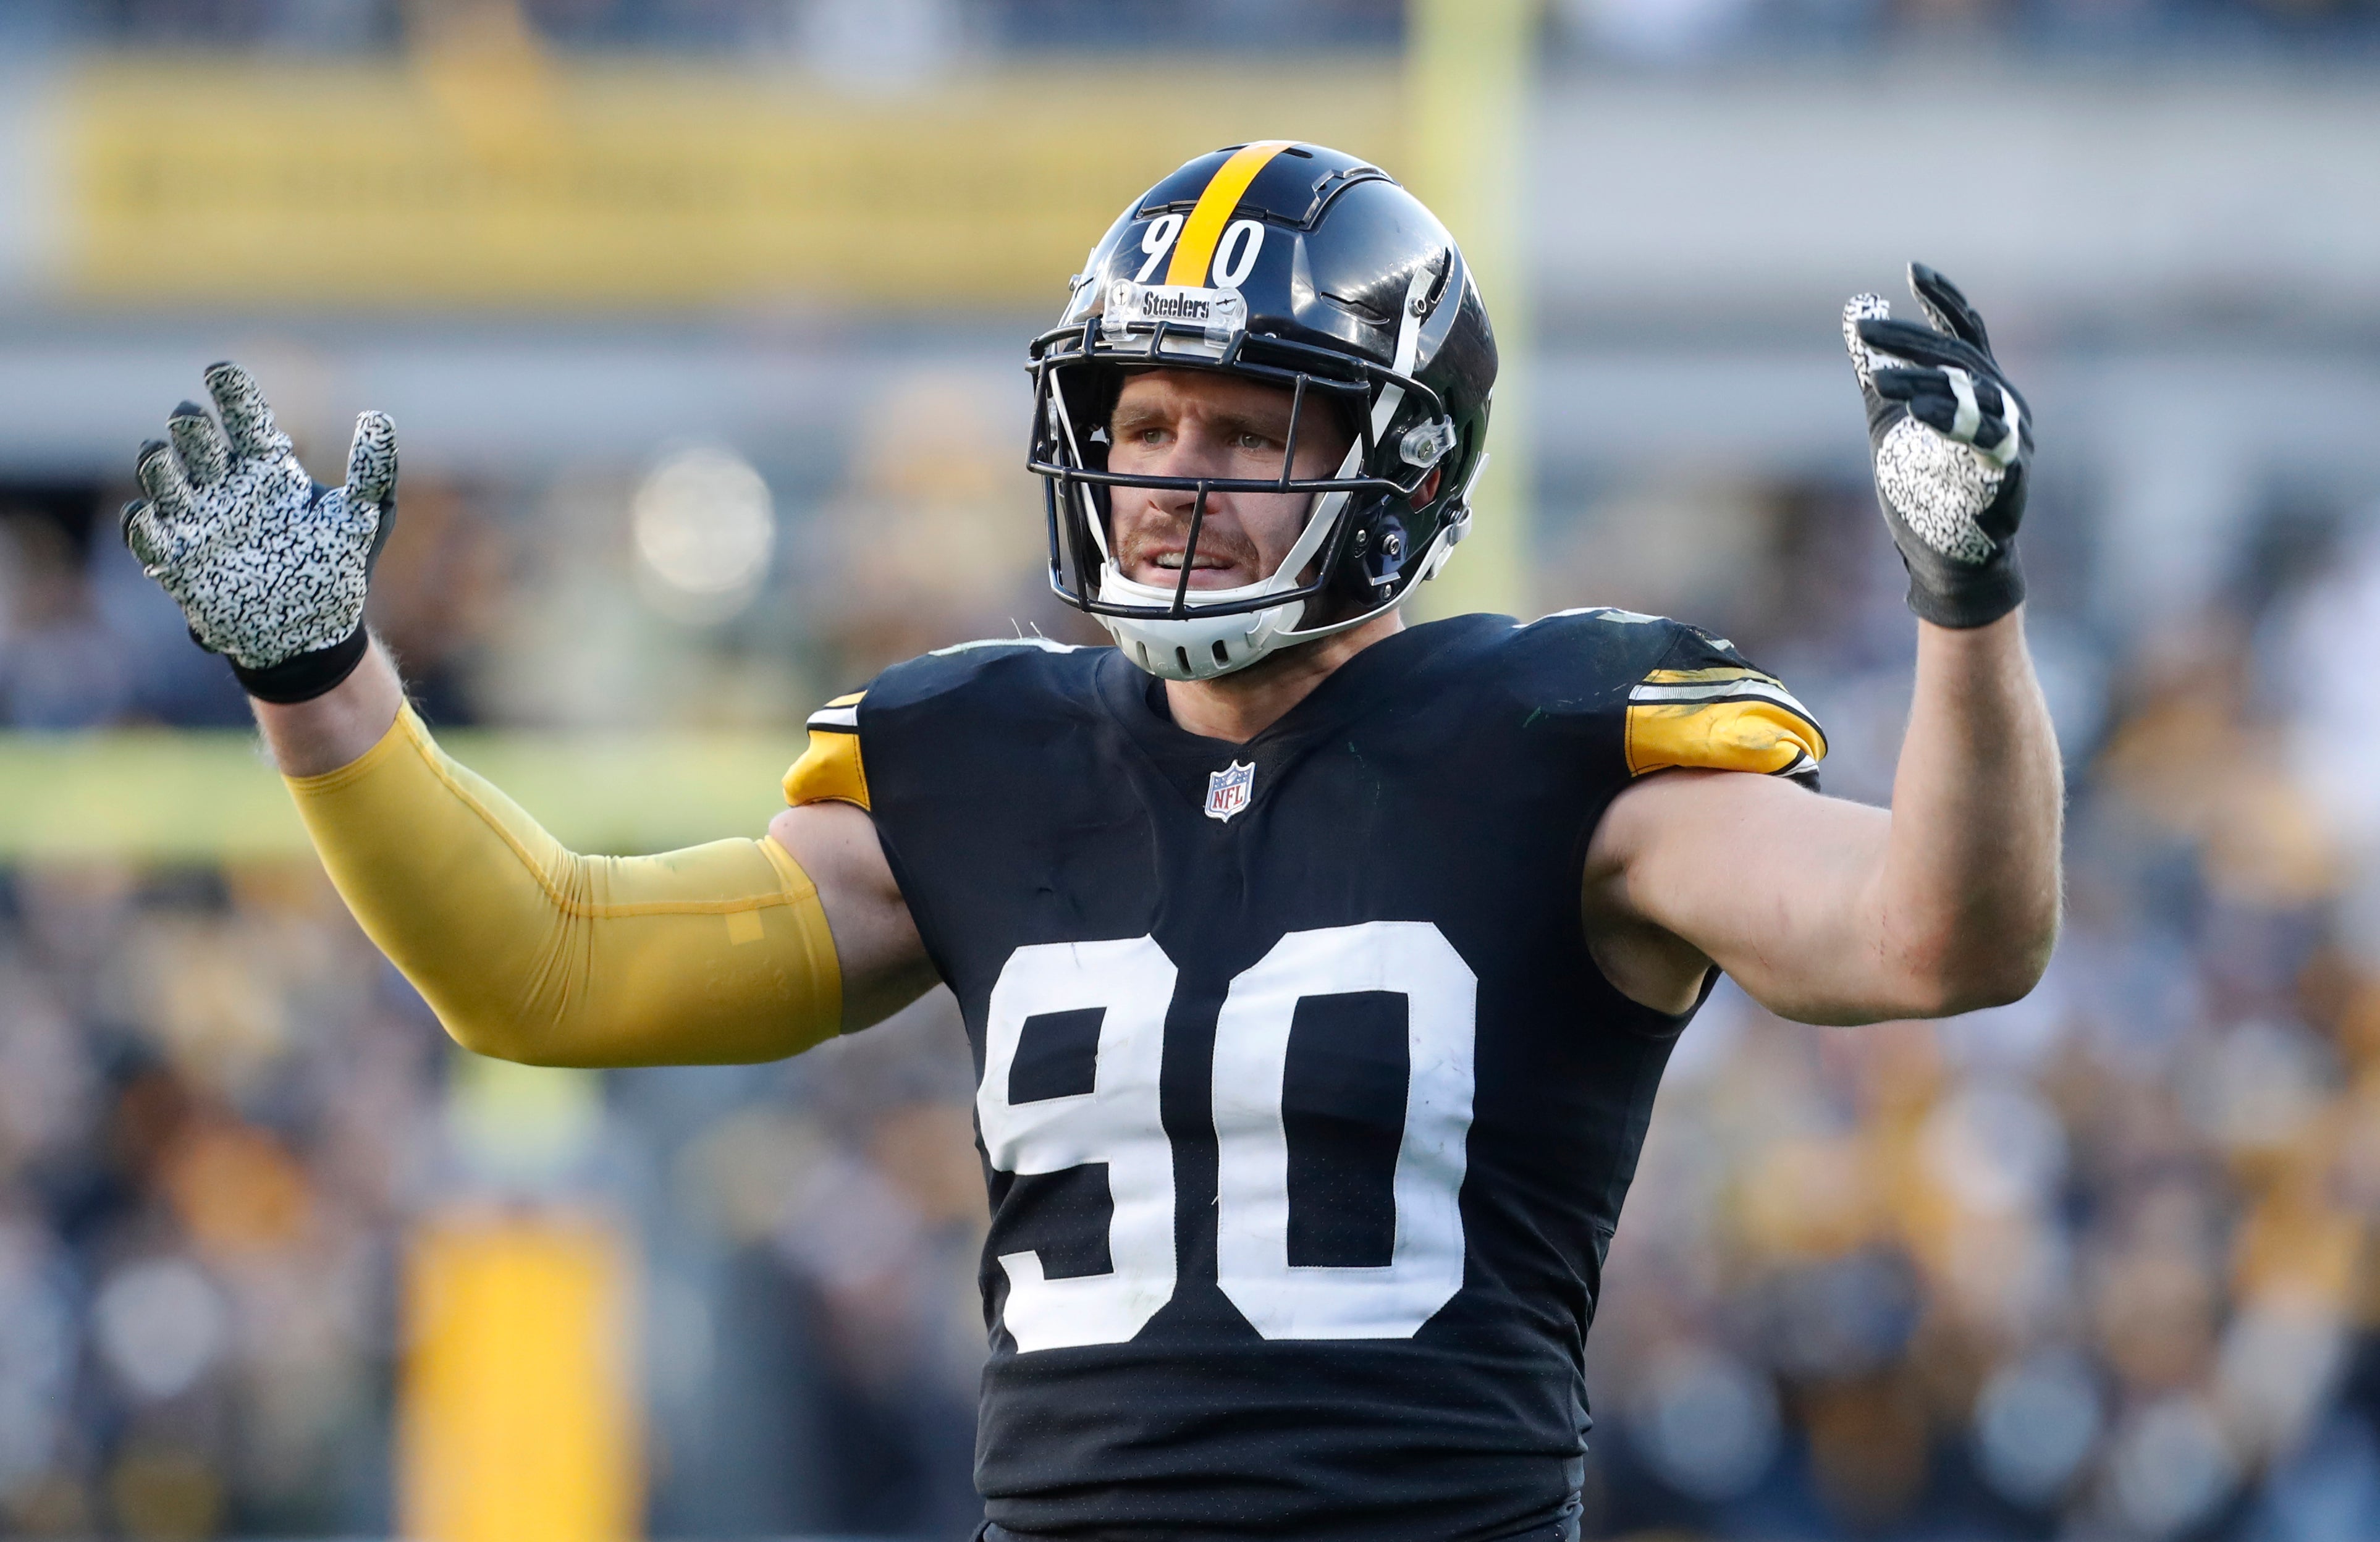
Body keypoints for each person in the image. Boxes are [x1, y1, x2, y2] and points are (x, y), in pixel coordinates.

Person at [119, 142, 2060, 1542]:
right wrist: (323, 682)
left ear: (1395, 467)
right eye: (1143, 420)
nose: (1170, 485)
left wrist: (1961, 609)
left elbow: (1931, 939)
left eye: (1243, 434)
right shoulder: (981, 753)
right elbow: (549, 970)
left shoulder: (1558, 740)